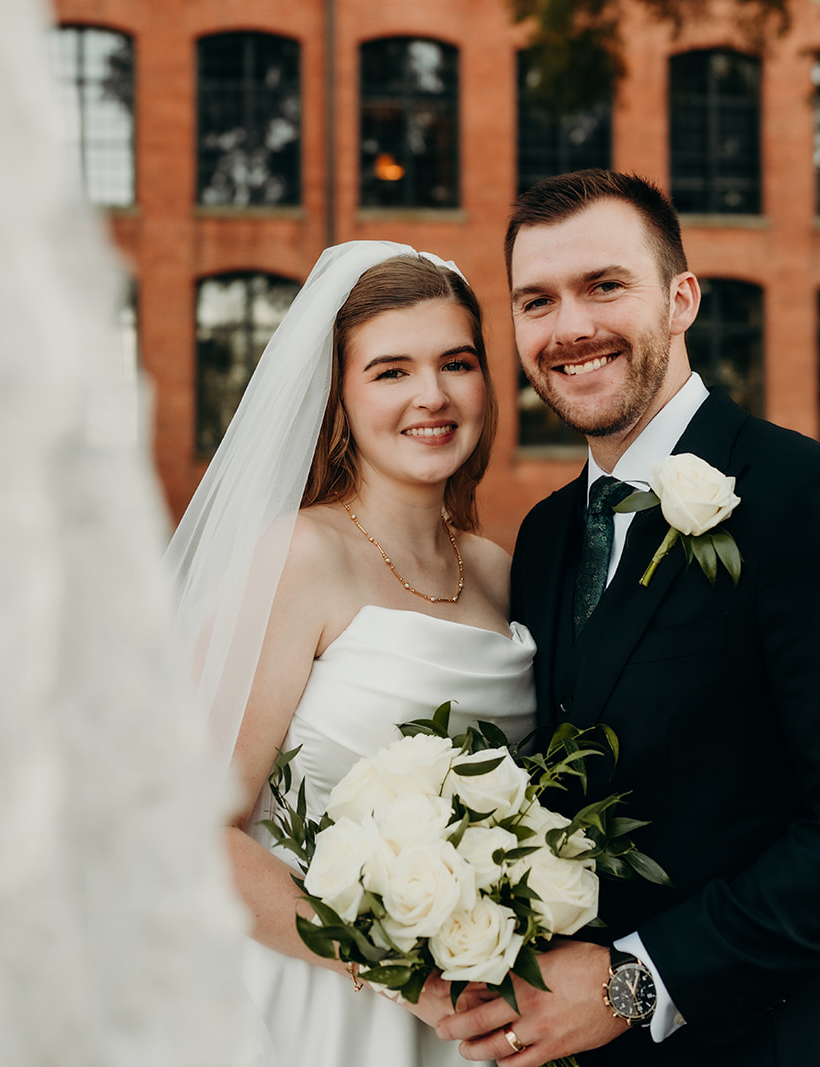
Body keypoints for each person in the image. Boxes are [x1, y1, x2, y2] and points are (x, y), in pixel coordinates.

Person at [436, 170, 820, 1065]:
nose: (571, 328)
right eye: (536, 301)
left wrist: (636, 983)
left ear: (681, 299)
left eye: (605, 285)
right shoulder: (550, 532)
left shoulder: (809, 500)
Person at [165, 242, 535, 1067]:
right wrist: (389, 964)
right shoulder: (300, 557)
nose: (432, 396)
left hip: (473, 1011)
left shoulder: (500, 571)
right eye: (391, 371)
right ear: (341, 395)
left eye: (458, 362)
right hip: (318, 1003)